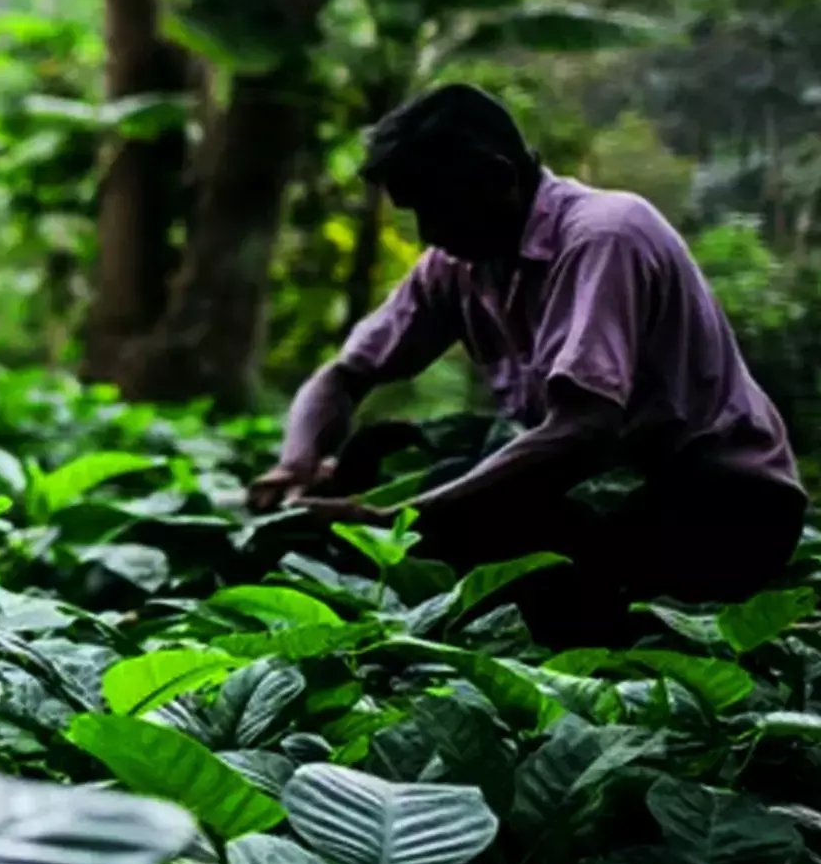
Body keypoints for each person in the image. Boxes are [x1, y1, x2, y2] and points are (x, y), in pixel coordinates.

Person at [248, 83, 807, 648]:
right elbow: (342, 378)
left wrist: (396, 523)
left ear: (498, 178)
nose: (428, 234)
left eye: (435, 208)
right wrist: (295, 466)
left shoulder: (603, 236)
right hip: (613, 491)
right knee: (398, 463)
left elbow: (582, 433)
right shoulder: (457, 263)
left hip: (725, 504)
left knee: (490, 540)